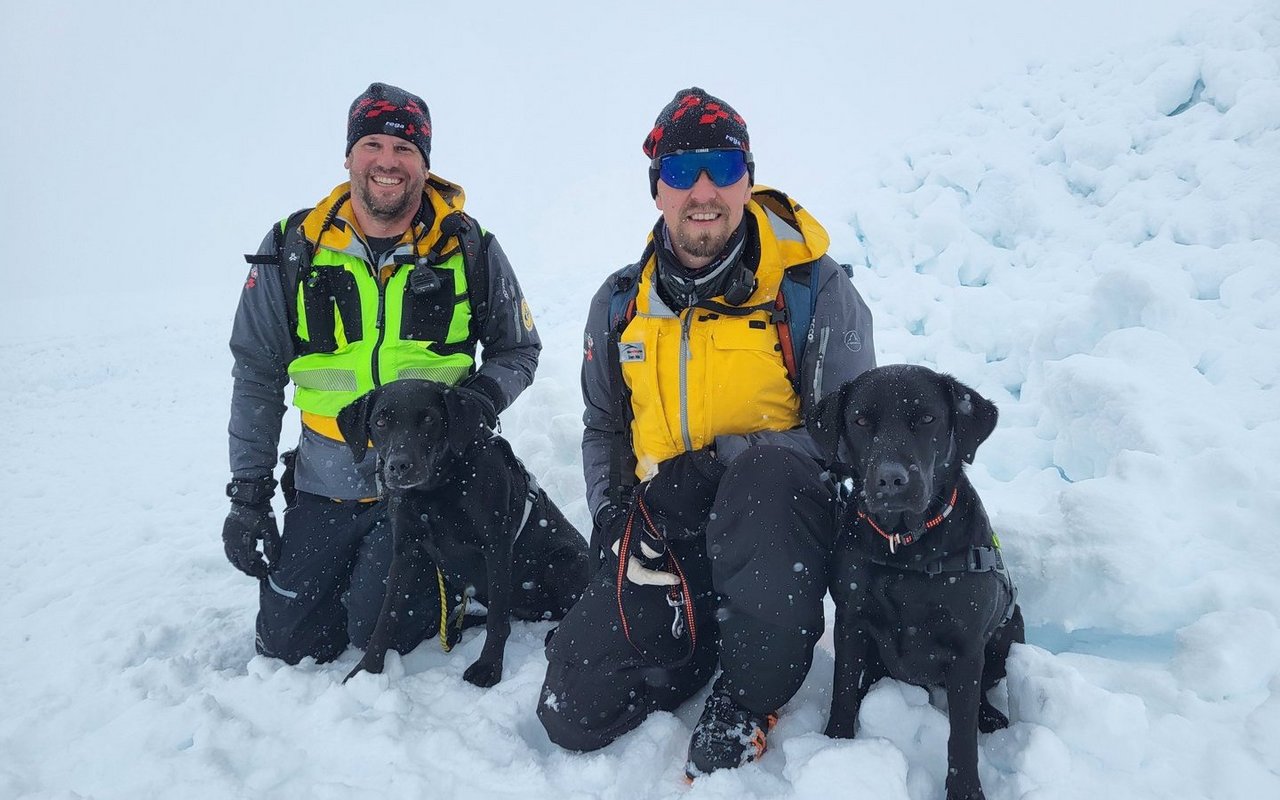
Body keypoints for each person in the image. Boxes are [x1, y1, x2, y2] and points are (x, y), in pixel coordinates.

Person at [537, 87, 876, 778]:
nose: (703, 191)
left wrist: (723, 461)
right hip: (667, 530)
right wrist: (610, 514)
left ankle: (752, 694)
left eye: (722, 169)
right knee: (573, 712)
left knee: (766, 479)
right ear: (656, 187)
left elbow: (852, 436)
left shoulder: (810, 287)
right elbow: (604, 425)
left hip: (777, 524)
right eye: (681, 169)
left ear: (748, 180)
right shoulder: (620, 300)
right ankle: (708, 638)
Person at [222, 82, 541, 666]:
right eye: (373, 144)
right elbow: (256, 376)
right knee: (288, 644)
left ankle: (450, 583)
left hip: (434, 483)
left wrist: (479, 402)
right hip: (326, 481)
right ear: (349, 156)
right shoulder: (293, 247)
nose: (387, 163)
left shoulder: (468, 246)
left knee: (382, 630)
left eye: (405, 149)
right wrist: (248, 497)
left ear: (424, 163)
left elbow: (518, 350)